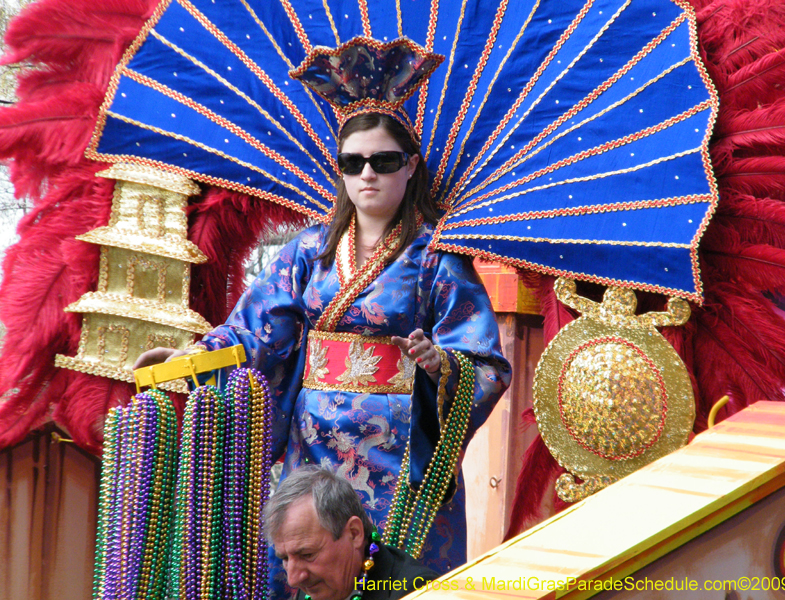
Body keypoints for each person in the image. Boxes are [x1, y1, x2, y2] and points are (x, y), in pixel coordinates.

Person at [135, 55, 511, 576]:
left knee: (387, 577)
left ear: (410, 164)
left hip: (400, 457)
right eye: (352, 162)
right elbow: (257, 330)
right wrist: (193, 357)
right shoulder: (308, 250)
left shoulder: (438, 258)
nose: (367, 175)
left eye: (383, 161)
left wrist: (441, 364)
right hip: (310, 447)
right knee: (304, 566)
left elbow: (486, 362)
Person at [264, 466, 439, 600]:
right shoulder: (316, 586)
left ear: (354, 533)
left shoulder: (420, 592)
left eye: (307, 554)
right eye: (285, 559)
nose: (293, 579)